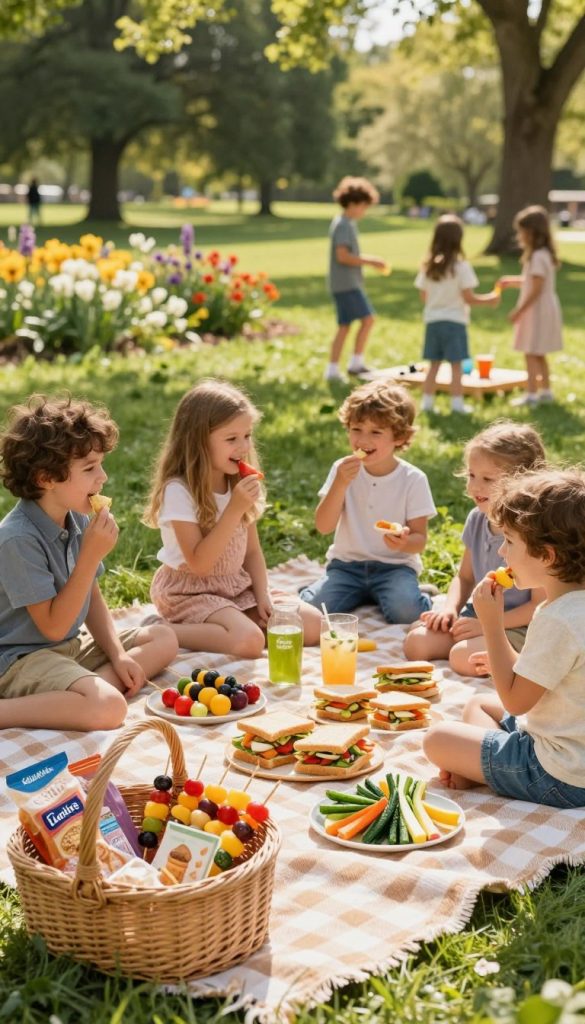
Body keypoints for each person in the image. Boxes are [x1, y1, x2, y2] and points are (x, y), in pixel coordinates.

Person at [0, 395, 178, 732]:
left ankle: (75, 695)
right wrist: (90, 556)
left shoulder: (75, 516)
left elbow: (90, 596)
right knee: (110, 708)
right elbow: (51, 627)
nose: (104, 477)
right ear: (45, 478)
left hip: (66, 650)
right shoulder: (16, 540)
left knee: (163, 638)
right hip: (20, 660)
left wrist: (117, 654)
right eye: (90, 468)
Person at [423, 467, 585, 808]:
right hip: (571, 743)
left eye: (509, 542)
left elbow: (515, 701)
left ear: (547, 555)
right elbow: (540, 681)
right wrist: (504, 657)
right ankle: (481, 765)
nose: (501, 554)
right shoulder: (570, 605)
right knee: (477, 704)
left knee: (437, 739)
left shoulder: (559, 619)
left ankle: (480, 767)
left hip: (560, 773)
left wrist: (492, 625)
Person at [144, 379, 322, 657]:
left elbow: (251, 552)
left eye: (247, 436)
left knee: (312, 626)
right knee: (249, 642)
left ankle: (234, 625)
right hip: (190, 592)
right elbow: (200, 564)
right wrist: (234, 508)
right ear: (198, 441)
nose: (243, 447)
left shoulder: (238, 481)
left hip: (236, 586)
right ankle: (162, 630)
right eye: (231, 439)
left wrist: (262, 596)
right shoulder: (179, 491)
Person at [404, 421, 545, 676]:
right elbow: (465, 577)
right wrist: (449, 609)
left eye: (487, 479)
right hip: (480, 614)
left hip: (521, 625)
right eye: (471, 475)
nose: (474, 487)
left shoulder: (532, 530)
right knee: (417, 642)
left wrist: (487, 625)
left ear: (522, 480)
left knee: (461, 657)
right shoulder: (477, 519)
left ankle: (524, 662)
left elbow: (538, 606)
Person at [300, 380, 436, 625]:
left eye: (376, 432)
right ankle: (316, 590)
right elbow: (323, 526)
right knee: (312, 612)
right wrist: (340, 484)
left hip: (395, 568)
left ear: (399, 437)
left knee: (406, 613)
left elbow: (419, 540)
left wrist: (404, 542)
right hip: (346, 567)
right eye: (357, 429)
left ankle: (419, 595)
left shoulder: (413, 479)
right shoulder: (341, 470)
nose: (363, 440)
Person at [415, 213, 500, 414]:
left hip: (433, 322)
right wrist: (490, 299)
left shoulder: (428, 266)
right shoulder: (462, 267)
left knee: (433, 364)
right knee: (456, 366)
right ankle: (457, 405)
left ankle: (427, 404)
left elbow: (423, 297)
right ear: (459, 239)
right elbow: (469, 298)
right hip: (455, 323)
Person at [325, 176, 389, 382]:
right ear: (352, 203)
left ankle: (339, 368)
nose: (364, 211)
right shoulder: (343, 225)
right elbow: (342, 256)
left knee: (346, 325)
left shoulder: (346, 223)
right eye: (363, 206)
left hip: (346, 284)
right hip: (346, 285)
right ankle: (351, 364)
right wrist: (371, 261)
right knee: (367, 319)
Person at [497, 205, 562, 407]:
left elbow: (536, 290)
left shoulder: (537, 256)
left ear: (531, 232)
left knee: (531, 352)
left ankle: (532, 394)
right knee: (539, 352)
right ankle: (546, 391)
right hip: (543, 308)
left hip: (537, 310)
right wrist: (513, 281)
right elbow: (531, 281)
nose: (519, 235)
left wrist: (519, 311)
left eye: (521, 231)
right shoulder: (542, 255)